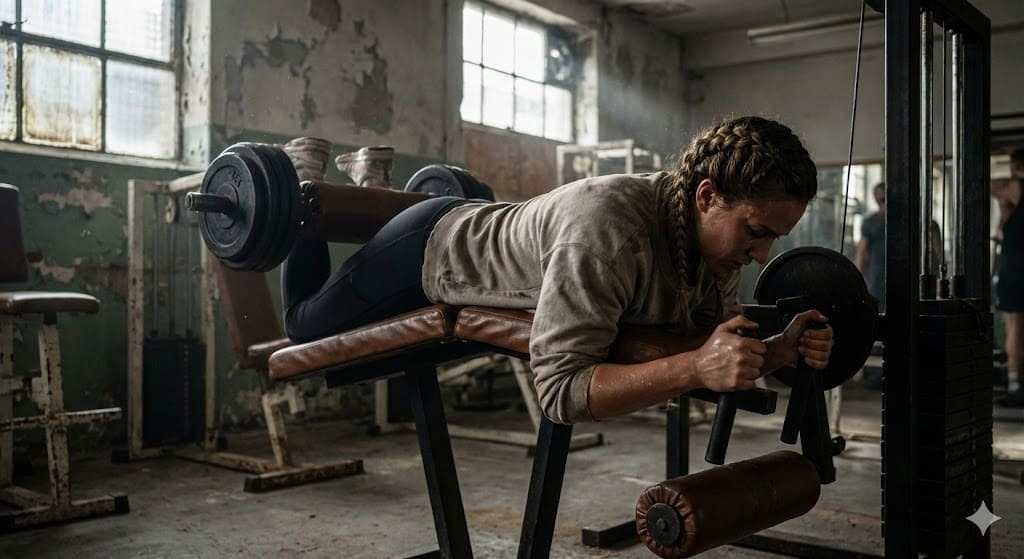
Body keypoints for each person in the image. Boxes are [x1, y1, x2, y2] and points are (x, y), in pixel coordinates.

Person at [281, 116, 835, 424]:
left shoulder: (714, 243)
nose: (762, 254)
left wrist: (777, 352)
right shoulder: (611, 232)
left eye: (774, 238)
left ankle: (360, 180)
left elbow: (700, 342)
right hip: (431, 249)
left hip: (475, 221)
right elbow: (562, 392)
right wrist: (695, 367)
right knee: (304, 329)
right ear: (708, 196)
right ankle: (299, 183)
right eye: (757, 232)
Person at [855, 182, 943, 311]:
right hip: (879, 277)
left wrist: (938, 280)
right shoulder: (870, 222)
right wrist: (857, 283)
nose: (883, 202)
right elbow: (861, 253)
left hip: (912, 277)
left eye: (885, 199)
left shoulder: (919, 221)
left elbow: (936, 252)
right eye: (880, 199)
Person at [993, 147, 1024, 407]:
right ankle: (1015, 381)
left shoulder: (1015, 185)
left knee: (1014, 325)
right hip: (1013, 265)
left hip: (1015, 268)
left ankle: (1015, 384)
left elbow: (993, 187)